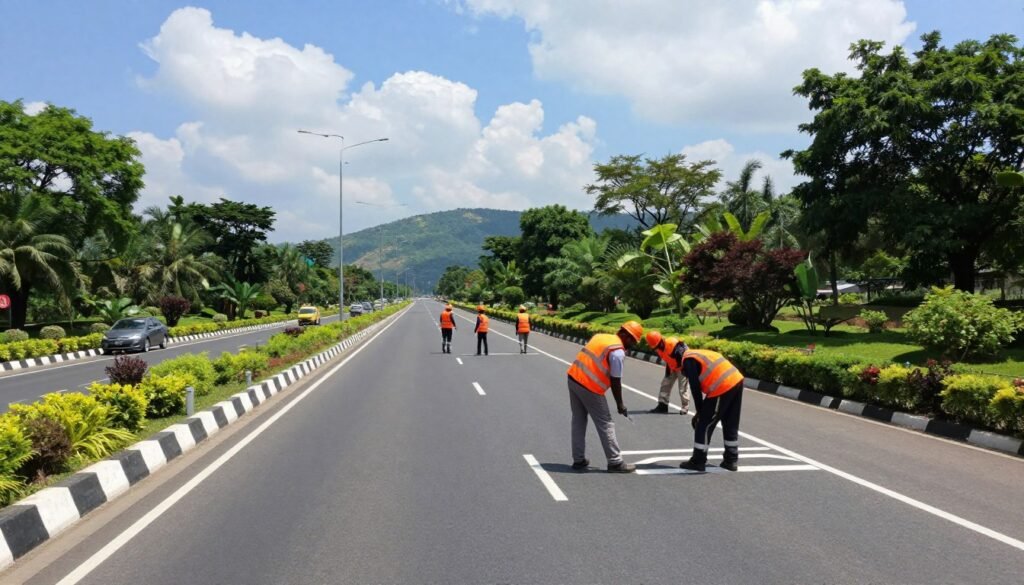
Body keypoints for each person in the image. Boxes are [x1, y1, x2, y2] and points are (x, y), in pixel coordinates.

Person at [565, 320, 644, 473]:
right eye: (633, 341)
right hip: (590, 387)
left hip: (573, 378)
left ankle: (578, 460)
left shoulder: (601, 337)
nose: (633, 345)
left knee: (578, 420)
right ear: (627, 336)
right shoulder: (617, 352)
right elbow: (616, 381)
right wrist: (620, 404)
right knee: (606, 423)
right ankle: (615, 462)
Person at [678, 348, 745, 472]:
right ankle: (731, 460)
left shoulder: (688, 360)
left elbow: (695, 387)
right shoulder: (699, 353)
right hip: (736, 380)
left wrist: (699, 412)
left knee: (704, 423)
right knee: (730, 422)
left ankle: (698, 460)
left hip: (722, 386)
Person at [644, 331, 690, 415]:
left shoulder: (673, 344)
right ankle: (662, 406)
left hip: (683, 367)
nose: (657, 348)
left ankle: (685, 407)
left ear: (661, 341)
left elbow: (684, 356)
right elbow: (668, 359)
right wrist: (668, 372)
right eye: (655, 347)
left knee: (682, 388)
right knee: (665, 384)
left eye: (657, 346)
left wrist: (685, 370)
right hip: (672, 367)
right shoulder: (659, 349)